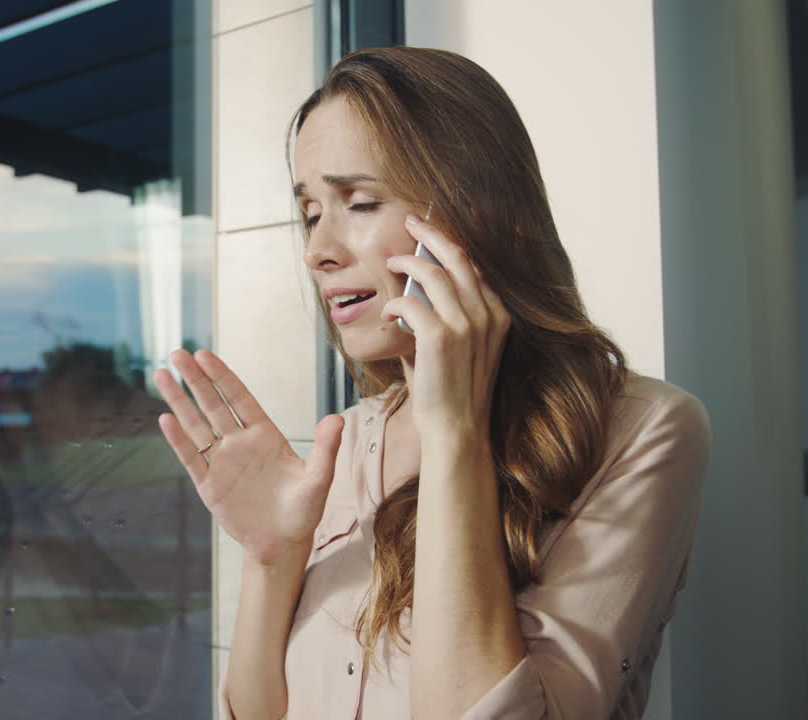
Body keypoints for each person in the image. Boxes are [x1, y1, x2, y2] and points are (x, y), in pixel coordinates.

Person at [152, 46, 710, 720]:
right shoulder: (348, 442)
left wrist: (454, 437)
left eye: (357, 202)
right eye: (308, 214)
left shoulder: (645, 430)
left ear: (481, 209)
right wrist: (272, 556)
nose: (316, 250)